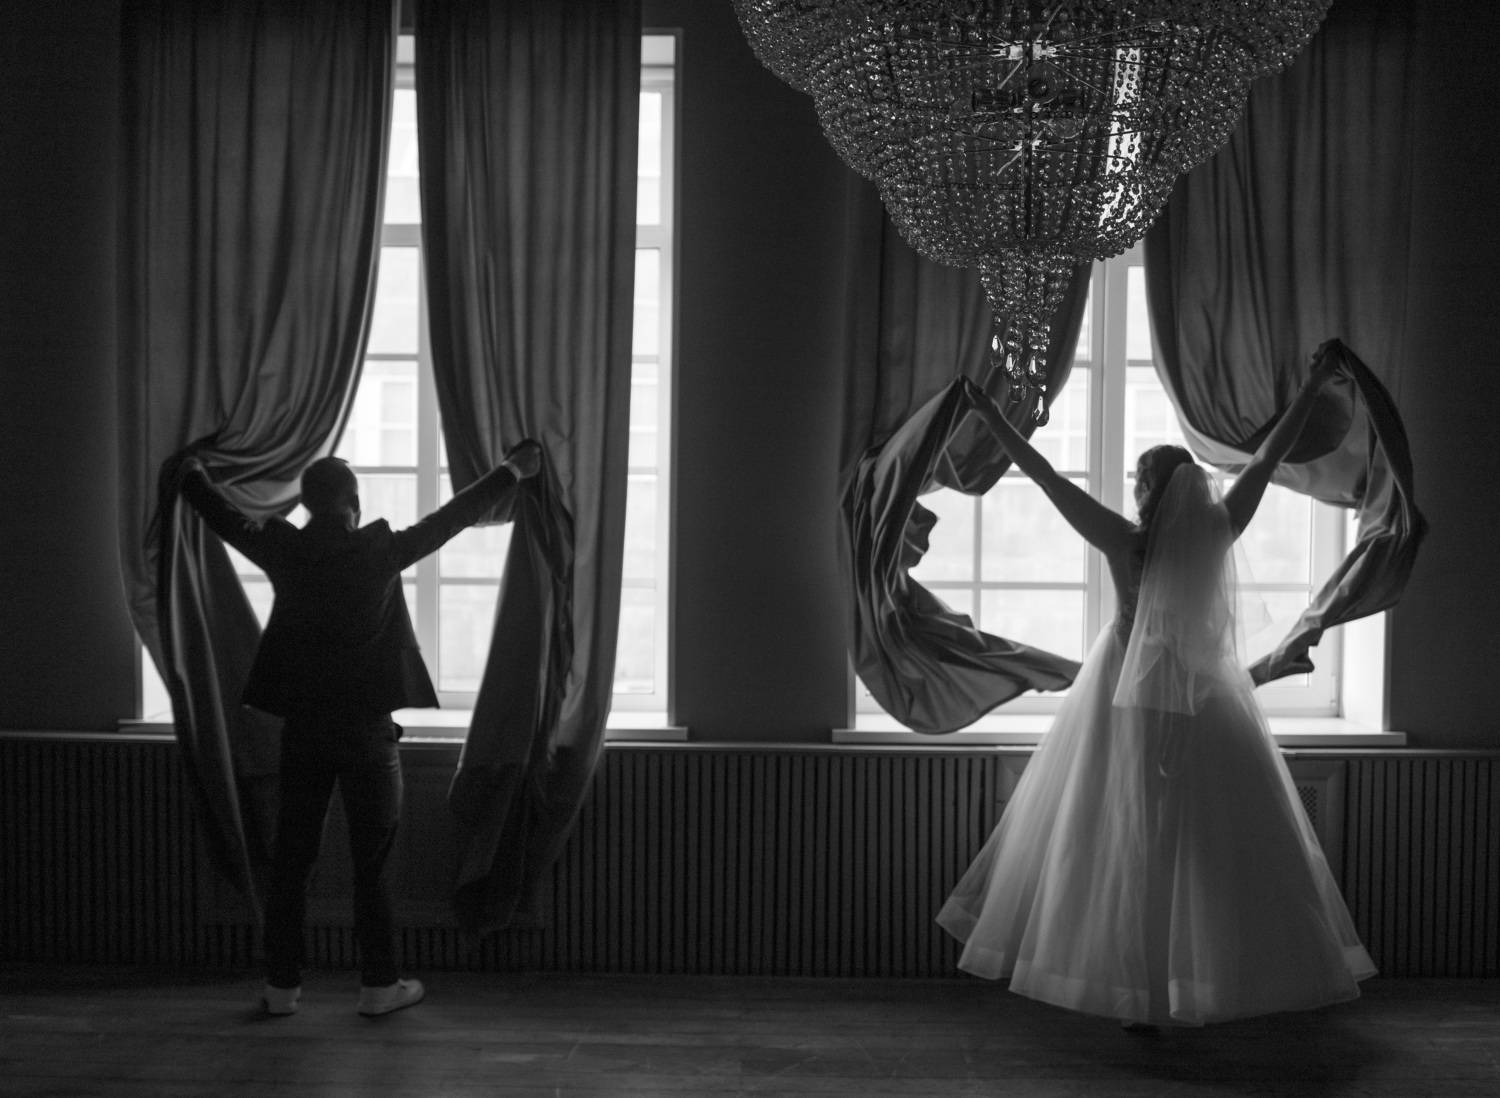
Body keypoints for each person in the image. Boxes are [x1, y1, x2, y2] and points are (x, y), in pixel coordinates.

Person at [937, 351, 1375, 1028]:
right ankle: (1192, 986)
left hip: (1127, 703)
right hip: (1200, 701)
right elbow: (1267, 460)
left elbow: (1046, 478)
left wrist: (992, 414)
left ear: (1151, 491)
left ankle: (1139, 993)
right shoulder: (1218, 533)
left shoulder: (1125, 542)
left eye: (1139, 481)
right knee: (1204, 849)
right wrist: (1315, 384)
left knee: (1125, 844)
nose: (1136, 490)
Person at [176, 439, 543, 1017]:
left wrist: (192, 473)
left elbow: (224, 517)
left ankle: (281, 989)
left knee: (292, 863)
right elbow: (453, 517)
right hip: (367, 732)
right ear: (354, 502)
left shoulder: (284, 549)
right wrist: (511, 471)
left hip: (304, 730)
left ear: (306, 504)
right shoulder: (379, 551)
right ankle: (378, 987)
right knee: (372, 867)